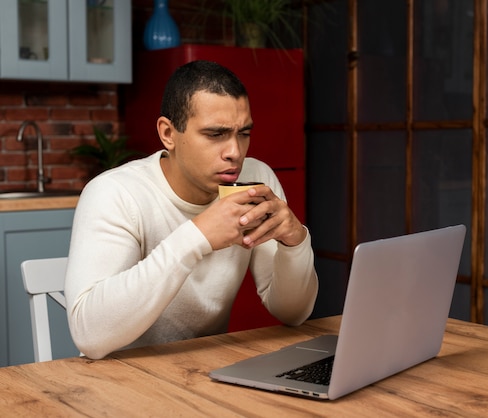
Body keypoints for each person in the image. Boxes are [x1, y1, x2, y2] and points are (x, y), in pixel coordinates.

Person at [65, 60, 319, 360]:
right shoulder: (116, 193)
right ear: (168, 134)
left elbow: (292, 313)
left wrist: (296, 242)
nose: (235, 152)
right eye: (215, 134)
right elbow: (90, 336)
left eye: (244, 133)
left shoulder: (257, 180)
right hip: (121, 378)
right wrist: (195, 237)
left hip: (205, 372)